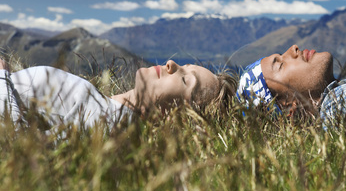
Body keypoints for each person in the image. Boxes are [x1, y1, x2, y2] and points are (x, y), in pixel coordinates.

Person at [0, 58, 237, 130]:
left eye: (185, 79)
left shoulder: (111, 123)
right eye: (184, 65)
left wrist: (2, 79)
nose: (171, 64)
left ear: (177, 117)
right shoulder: (107, 108)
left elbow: (25, 151)